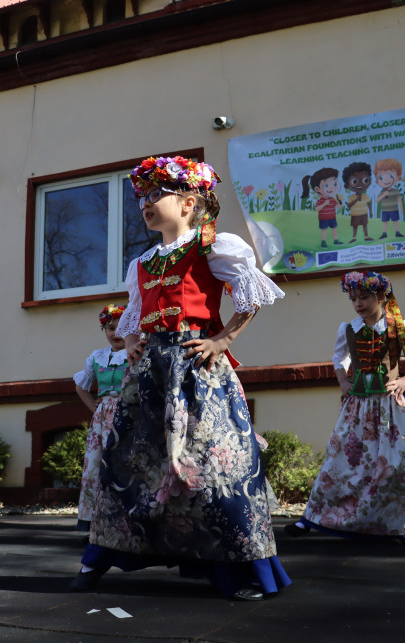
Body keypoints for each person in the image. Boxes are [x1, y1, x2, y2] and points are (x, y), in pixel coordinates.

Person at [71, 155, 290, 601]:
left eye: (156, 194)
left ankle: (243, 572)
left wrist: (222, 339)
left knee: (213, 469)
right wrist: (132, 342)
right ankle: (99, 557)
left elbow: (250, 294)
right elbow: (133, 316)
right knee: (132, 466)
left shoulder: (212, 247)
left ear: (189, 203)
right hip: (149, 377)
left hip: (197, 370)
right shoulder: (142, 263)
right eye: (142, 198)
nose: (145, 204)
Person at [286, 271, 405, 543]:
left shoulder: (397, 326)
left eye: (364, 297)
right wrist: (343, 382)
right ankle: (313, 518)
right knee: (340, 462)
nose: (358, 303)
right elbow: (339, 358)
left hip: (390, 407)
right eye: (353, 298)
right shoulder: (348, 328)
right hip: (357, 408)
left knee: (399, 464)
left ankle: (402, 523)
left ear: (381, 297)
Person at [73, 303, 129, 535]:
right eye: (111, 328)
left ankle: (124, 519)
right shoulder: (97, 357)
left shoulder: (136, 352)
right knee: (95, 464)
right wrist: (94, 407)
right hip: (102, 418)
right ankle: (90, 519)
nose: (116, 333)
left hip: (127, 415)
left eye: (122, 327)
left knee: (122, 463)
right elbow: (81, 386)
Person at [300, 167, 342, 249]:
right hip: (323, 219)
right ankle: (323, 242)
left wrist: (340, 201)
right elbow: (316, 209)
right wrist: (324, 204)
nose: (331, 188)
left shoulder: (333, 199)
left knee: (334, 229)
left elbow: (339, 207)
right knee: (324, 230)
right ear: (317, 189)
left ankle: (336, 240)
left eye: (334, 184)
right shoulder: (320, 201)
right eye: (327, 185)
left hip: (332, 218)